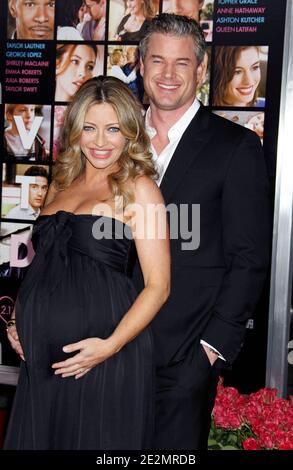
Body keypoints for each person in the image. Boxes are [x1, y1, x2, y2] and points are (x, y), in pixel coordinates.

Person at [4, 76, 170, 450]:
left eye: (112, 129)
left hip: (106, 358)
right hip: (42, 359)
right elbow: (42, 265)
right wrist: (17, 320)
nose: (99, 141)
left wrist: (109, 346)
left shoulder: (140, 189)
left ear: (129, 132)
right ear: (75, 129)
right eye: (90, 128)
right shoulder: (60, 182)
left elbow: (159, 287)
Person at [134, 13, 271, 449]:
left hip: (182, 359)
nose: (168, 74)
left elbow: (249, 259)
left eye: (181, 62)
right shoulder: (113, 141)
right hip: (104, 350)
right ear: (141, 66)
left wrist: (209, 350)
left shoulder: (236, 147)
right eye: (158, 61)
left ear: (200, 69)